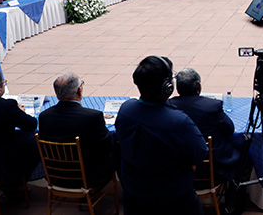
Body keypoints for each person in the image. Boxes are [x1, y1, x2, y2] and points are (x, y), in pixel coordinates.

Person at [116, 56, 208, 215]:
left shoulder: (126, 110)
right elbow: (200, 153)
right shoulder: (178, 121)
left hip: (134, 196)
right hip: (173, 200)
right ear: (167, 87)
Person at [39, 73, 116, 188]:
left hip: (55, 176)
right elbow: (107, 143)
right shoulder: (92, 117)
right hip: (89, 177)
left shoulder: (44, 116)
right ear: (79, 91)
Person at [168, 68, 239, 183]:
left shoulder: (168, 106)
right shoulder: (212, 105)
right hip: (212, 171)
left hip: (178, 172)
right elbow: (229, 129)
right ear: (199, 86)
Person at [0, 71, 39, 188]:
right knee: (34, 140)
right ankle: (16, 184)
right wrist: (19, 112)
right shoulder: (6, 106)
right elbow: (31, 124)